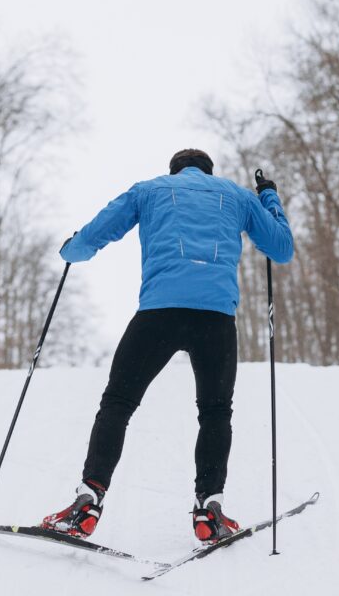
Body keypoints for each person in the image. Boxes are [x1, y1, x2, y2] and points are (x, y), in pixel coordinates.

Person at [40, 148, 293, 544]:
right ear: (209, 172)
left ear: (174, 171)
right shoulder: (239, 196)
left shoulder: (149, 191)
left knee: (118, 403)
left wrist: (72, 249)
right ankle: (208, 507)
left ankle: (88, 501)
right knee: (215, 412)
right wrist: (269, 198)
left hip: (159, 314)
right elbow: (281, 248)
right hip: (215, 319)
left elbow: (95, 234)